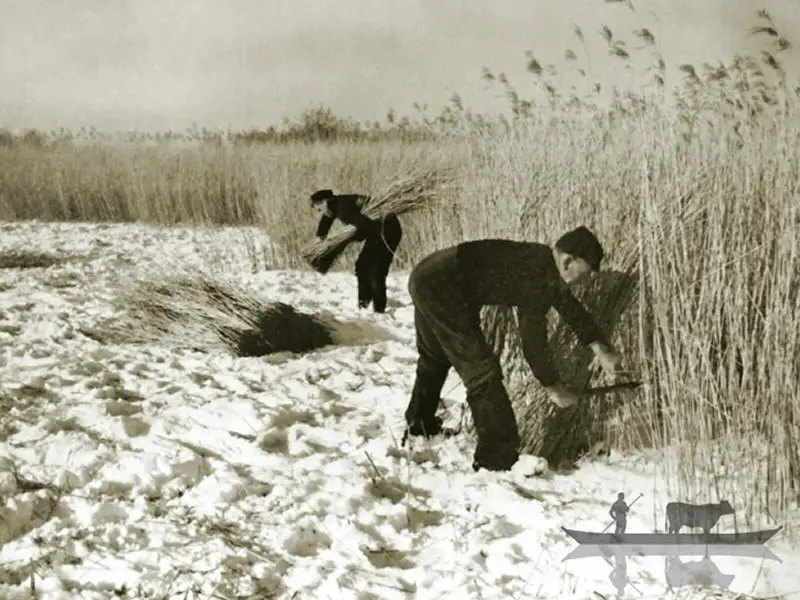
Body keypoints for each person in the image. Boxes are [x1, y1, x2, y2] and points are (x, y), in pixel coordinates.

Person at [403, 226, 624, 472]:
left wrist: (599, 347)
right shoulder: (538, 277)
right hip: (441, 286)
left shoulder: (542, 262)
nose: (585, 280)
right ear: (567, 260)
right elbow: (532, 342)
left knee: (434, 357)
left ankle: (419, 427)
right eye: (584, 273)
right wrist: (554, 386)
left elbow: (570, 307)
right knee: (482, 372)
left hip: (427, 274)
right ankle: (495, 459)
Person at [310, 189, 402, 314]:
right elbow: (326, 219)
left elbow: (364, 227)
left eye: (319, 209)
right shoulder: (335, 205)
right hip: (376, 232)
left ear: (325, 202)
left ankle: (379, 310)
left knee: (376, 271)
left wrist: (345, 239)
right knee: (362, 266)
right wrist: (320, 237)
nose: (320, 212)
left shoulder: (344, 209)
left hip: (388, 232)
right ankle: (363, 303)